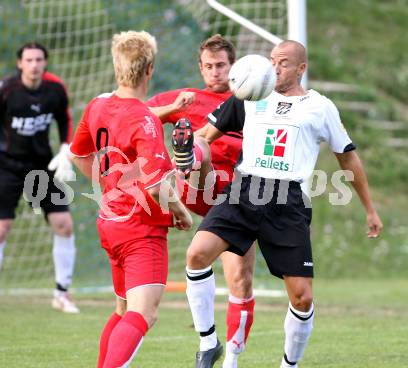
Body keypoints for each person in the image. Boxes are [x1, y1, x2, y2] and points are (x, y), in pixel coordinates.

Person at [183, 40, 383, 368]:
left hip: (287, 201)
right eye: (273, 60)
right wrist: (192, 153)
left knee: (302, 297)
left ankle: (289, 365)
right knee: (196, 254)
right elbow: (204, 136)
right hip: (243, 192)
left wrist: (370, 209)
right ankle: (208, 344)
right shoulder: (250, 95)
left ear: (301, 68)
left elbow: (348, 158)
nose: (275, 67)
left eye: (284, 62)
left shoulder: (321, 107)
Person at [70, 30, 192, 367]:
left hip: (111, 224)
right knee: (144, 313)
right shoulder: (146, 121)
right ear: (150, 69)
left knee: (122, 309)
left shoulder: (98, 105)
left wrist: (112, 185)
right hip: (141, 230)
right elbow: (155, 187)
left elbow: (78, 156)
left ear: (116, 65)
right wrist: (182, 212)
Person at [147, 34, 256, 368]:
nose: (215, 72)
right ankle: (189, 154)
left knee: (240, 278)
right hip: (197, 187)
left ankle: (229, 357)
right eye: (208, 66)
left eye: (221, 65)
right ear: (200, 67)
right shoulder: (188, 98)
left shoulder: (250, 100)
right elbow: (139, 113)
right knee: (202, 149)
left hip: (237, 194)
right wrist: (171, 109)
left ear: (233, 66)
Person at [0, 42, 79, 314]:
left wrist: (66, 148)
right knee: (0, 228)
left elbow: (65, 119)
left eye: (39, 59)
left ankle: (62, 294)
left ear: (45, 62)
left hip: (42, 167)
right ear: (20, 63)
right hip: (8, 168)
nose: (34, 65)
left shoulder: (55, 89)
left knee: (64, 225)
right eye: (29, 60)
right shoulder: (5, 90)